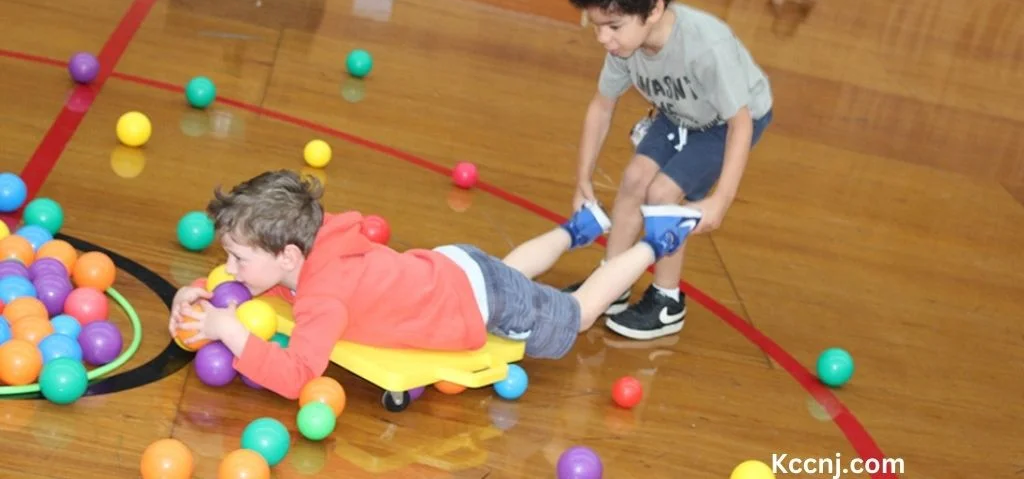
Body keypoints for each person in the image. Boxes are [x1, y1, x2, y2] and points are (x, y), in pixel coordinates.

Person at [168, 170, 702, 399]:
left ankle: (656, 242)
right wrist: (201, 293)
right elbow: (255, 283)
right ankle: (578, 229)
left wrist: (227, 329)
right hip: (453, 267)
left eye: (235, 258)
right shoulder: (315, 239)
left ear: (286, 254)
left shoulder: (322, 298)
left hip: (479, 299)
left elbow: (294, 377)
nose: (229, 269)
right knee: (510, 271)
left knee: (580, 311)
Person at [564, 0, 774, 340]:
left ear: (655, 8)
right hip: (679, 111)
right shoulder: (624, 48)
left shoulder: (706, 46)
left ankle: (667, 301)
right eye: (597, 27)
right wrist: (582, 181)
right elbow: (601, 107)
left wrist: (720, 200)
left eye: (613, 27)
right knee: (632, 181)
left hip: (724, 122)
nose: (603, 38)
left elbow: (741, 123)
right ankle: (614, 285)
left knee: (662, 194)